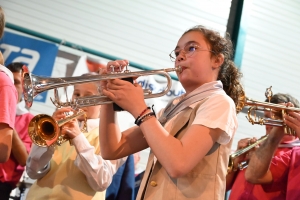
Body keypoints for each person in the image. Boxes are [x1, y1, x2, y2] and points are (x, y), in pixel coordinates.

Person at [99, 25, 244, 199]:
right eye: (176, 53)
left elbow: (179, 163)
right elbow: (112, 149)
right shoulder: (172, 108)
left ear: (217, 60)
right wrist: (108, 98)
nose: (180, 57)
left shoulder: (219, 102)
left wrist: (140, 109)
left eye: (191, 48)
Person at [25, 72, 126, 200]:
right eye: (77, 94)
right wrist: (47, 139)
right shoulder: (60, 127)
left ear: (103, 103)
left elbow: (101, 182)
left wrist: (78, 138)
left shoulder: (111, 137)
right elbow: (32, 172)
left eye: (89, 96)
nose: (79, 100)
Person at [227, 93, 300, 200]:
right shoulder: (255, 146)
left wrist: (276, 133)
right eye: (267, 118)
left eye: (276, 118)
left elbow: (253, 176)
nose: (270, 124)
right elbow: (222, 187)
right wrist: (236, 161)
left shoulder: (294, 154)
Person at [0, 63, 34, 200]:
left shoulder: (30, 120)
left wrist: (6, 115)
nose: (11, 87)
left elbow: (24, 159)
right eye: (10, 81)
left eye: (16, 83)